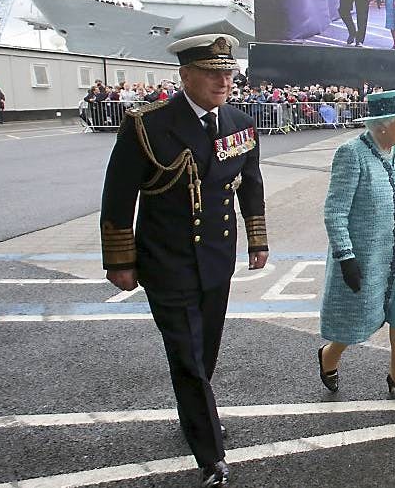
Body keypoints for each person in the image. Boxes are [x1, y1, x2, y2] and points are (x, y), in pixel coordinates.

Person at [99, 34, 269, 487]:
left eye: (228, 72)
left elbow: (250, 182)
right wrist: (120, 259)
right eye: (213, 72)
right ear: (186, 75)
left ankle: (196, 412)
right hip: (166, 258)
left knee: (206, 347)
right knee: (187, 355)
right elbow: (119, 195)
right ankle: (210, 452)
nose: (223, 80)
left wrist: (257, 240)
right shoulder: (148, 125)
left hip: (217, 255)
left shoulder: (239, 122)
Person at [317, 90, 395, 403]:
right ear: (383, 125)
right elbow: (335, 211)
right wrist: (345, 256)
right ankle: (329, 356)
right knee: (357, 318)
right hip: (366, 255)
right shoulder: (351, 154)